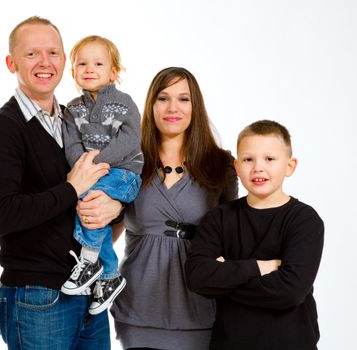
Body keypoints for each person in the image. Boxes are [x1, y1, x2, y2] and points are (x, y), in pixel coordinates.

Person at [0, 17, 123, 349]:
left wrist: (115, 208)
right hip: (38, 298)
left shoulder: (78, 121)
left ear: (64, 60)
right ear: (11, 63)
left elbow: (106, 186)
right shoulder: (1, 130)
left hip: (90, 293)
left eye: (53, 52)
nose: (45, 62)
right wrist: (71, 189)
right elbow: (0, 216)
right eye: (32, 54)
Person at [111, 66, 238, 350]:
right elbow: (109, 229)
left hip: (200, 306)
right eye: (163, 98)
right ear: (151, 105)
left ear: (196, 106)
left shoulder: (220, 165)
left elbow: (235, 237)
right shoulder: (129, 162)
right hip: (138, 306)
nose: (173, 108)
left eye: (183, 99)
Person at [185, 120, 324, 350]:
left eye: (269, 159)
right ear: (237, 167)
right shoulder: (219, 218)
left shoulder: (305, 220)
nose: (258, 168)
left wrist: (226, 274)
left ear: (290, 166)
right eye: (249, 160)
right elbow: (197, 277)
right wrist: (260, 267)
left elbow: (290, 292)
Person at [60, 35, 143, 315]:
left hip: (124, 174)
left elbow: (129, 140)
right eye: (82, 64)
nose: (89, 69)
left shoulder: (124, 103)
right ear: (73, 72)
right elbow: (71, 144)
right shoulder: (72, 109)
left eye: (98, 63)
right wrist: (82, 169)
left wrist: (95, 166)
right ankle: (109, 276)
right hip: (92, 175)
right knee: (88, 200)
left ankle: (91, 260)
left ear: (113, 72)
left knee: (90, 197)